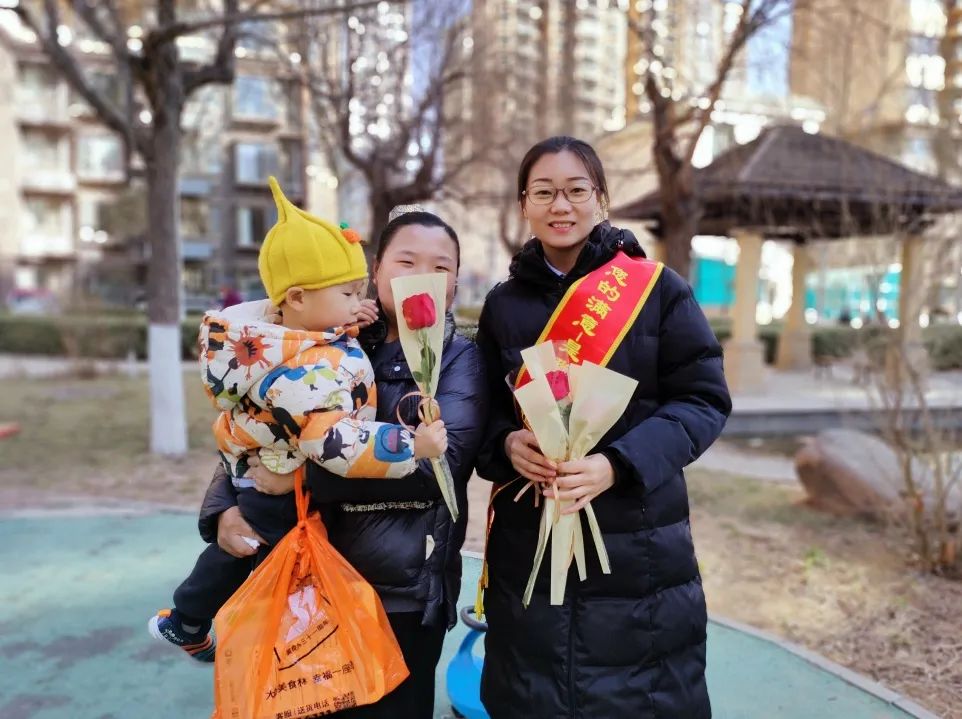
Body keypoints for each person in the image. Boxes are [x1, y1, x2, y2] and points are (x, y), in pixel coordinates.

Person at [474, 136, 732, 718]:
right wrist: (507, 443)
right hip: (530, 534)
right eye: (544, 192)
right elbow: (484, 409)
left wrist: (617, 464)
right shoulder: (503, 304)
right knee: (532, 691)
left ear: (601, 199)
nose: (559, 205)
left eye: (575, 190)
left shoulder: (657, 290)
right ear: (524, 205)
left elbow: (703, 400)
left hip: (638, 540)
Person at [198, 209, 488, 718]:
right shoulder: (322, 336)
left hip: (398, 589)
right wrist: (224, 504)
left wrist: (301, 479)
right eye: (406, 260)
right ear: (375, 271)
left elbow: (437, 467)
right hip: (301, 573)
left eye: (440, 267)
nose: (422, 275)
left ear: (455, 284)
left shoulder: (460, 358)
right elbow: (259, 423)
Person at [148, 181, 448, 660]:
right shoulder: (304, 371)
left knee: (249, 554)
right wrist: (413, 445)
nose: (358, 303)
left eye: (360, 293)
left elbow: (326, 336)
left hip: (265, 468)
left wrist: (347, 315)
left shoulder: (281, 336)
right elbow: (337, 443)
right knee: (259, 561)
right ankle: (188, 618)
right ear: (300, 297)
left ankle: (190, 619)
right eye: (350, 292)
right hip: (278, 482)